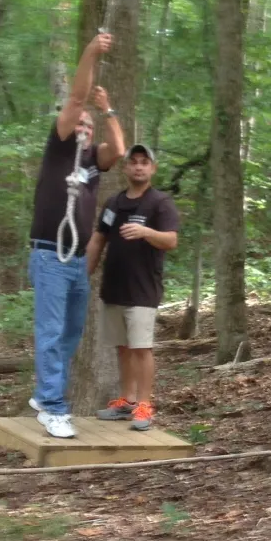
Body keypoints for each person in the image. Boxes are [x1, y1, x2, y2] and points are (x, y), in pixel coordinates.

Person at [27, 32, 125, 438]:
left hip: (77, 261)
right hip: (50, 255)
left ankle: (45, 394)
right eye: (79, 121)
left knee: (69, 334)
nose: (84, 126)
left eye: (89, 124)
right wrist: (90, 52)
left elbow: (118, 150)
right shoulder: (59, 148)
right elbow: (76, 99)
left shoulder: (91, 161)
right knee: (51, 332)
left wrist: (108, 110)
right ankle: (53, 406)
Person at [85, 144, 180, 431]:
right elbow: (99, 239)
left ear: (153, 168)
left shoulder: (160, 203)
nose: (139, 166)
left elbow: (171, 240)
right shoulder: (113, 203)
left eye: (144, 162)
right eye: (134, 162)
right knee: (123, 346)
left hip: (143, 289)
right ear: (125, 168)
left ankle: (144, 405)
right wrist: (83, 274)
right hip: (114, 287)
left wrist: (146, 232)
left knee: (141, 348)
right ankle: (127, 401)